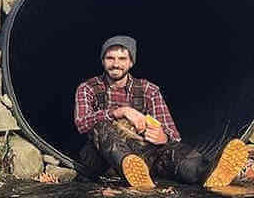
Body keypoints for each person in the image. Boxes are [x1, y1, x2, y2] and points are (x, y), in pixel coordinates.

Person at [74, 35, 248, 189]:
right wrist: (121, 111)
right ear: (102, 60)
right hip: (103, 159)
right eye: (110, 58)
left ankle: (207, 173)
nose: (116, 64)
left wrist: (163, 136)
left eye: (122, 58)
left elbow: (174, 135)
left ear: (131, 62)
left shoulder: (148, 90)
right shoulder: (88, 88)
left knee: (174, 151)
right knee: (101, 126)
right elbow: (82, 123)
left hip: (144, 155)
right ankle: (129, 167)